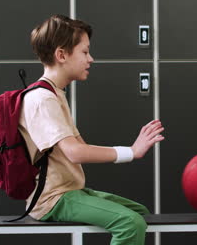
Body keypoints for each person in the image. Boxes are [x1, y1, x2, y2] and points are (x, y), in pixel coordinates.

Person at [19, 14, 164, 245]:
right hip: (53, 199)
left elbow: (80, 147)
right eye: (85, 52)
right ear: (61, 55)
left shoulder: (55, 94)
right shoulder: (42, 99)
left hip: (70, 191)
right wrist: (131, 151)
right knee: (130, 223)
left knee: (140, 212)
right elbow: (75, 152)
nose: (91, 59)